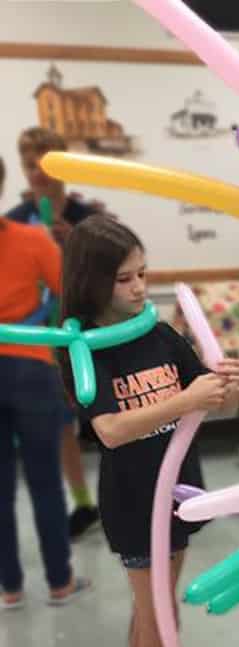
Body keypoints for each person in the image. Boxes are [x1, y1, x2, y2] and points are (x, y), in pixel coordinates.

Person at [59, 216, 239, 647]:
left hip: (179, 493)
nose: (139, 287)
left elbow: (220, 407)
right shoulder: (84, 351)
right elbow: (109, 430)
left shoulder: (161, 336)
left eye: (142, 274)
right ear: (91, 282)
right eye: (124, 278)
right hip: (135, 500)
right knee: (159, 619)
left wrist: (232, 384)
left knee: (160, 613)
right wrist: (185, 400)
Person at [6, 127, 111, 540]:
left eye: (46, 162)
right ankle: (84, 502)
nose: (38, 172)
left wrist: (76, 247)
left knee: (108, 413)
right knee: (61, 425)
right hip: (35, 340)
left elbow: (113, 273)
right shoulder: (13, 224)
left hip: (87, 331)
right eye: (30, 164)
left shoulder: (88, 217)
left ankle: (127, 491)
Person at [0, 154, 90, 610]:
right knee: (45, 480)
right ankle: (59, 581)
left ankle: (10, 588)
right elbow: (67, 295)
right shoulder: (32, 239)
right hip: (32, 367)